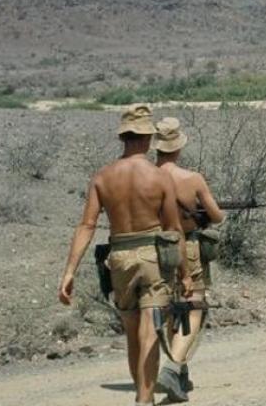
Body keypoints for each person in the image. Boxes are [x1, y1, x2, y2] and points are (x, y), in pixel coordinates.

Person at [58, 105, 191, 406]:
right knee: (151, 329)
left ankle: (141, 395)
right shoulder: (160, 178)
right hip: (153, 258)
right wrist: (184, 273)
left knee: (132, 332)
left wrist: (69, 272)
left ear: (123, 137)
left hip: (119, 259)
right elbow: (173, 229)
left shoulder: (102, 177)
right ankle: (144, 399)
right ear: (148, 138)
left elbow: (86, 225)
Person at [153, 117, 224, 401]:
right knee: (194, 307)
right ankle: (172, 367)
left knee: (173, 311)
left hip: (155, 250)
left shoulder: (146, 178)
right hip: (188, 247)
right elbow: (216, 216)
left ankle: (180, 373)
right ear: (178, 147)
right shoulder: (192, 179)